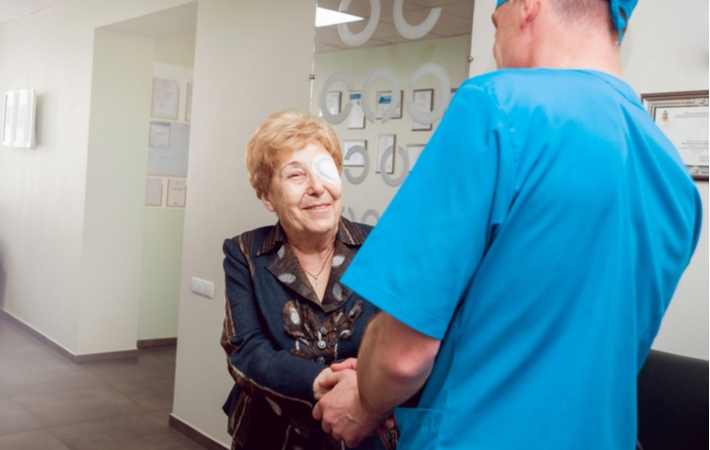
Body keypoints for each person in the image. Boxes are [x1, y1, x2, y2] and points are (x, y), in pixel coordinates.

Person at [312, 0, 703, 449]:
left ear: (527, 6)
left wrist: (363, 400)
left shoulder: (496, 108)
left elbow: (404, 356)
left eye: (495, 28)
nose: (496, 50)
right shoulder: (674, 174)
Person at [220, 110, 397, 450]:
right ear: (267, 196)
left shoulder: (381, 247)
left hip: (363, 436)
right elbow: (246, 350)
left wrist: (369, 397)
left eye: (325, 171)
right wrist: (322, 381)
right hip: (270, 434)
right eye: (296, 175)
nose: (317, 187)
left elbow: (404, 344)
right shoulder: (244, 252)